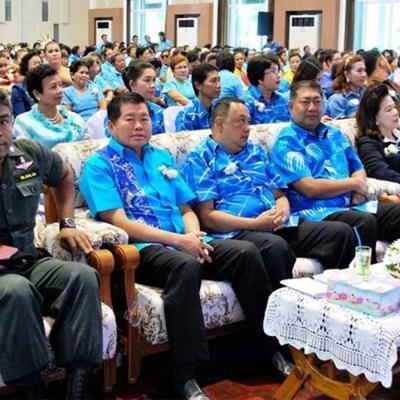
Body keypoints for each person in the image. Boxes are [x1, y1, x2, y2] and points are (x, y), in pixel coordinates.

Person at [79, 92, 279, 400]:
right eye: (130, 119)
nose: (139, 126)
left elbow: (186, 207)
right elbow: (118, 220)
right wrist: (179, 241)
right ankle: (185, 374)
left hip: (185, 240)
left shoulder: (160, 156)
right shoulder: (99, 165)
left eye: (144, 118)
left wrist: (194, 237)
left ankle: (268, 349)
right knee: (185, 266)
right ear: (111, 126)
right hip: (144, 248)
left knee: (246, 253)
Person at [181, 97, 355, 283]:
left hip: (277, 225)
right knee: (275, 247)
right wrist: (255, 224)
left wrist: (282, 210)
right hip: (239, 230)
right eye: (241, 121)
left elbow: (279, 195)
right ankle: (282, 302)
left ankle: (337, 295)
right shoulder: (200, 158)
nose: (248, 128)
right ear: (220, 124)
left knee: (339, 233)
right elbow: (207, 217)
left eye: (248, 121)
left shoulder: (255, 151)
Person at [0, 89, 102, 399]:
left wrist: (67, 223)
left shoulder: (27, 154)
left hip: (27, 260)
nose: (0, 132)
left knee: (83, 276)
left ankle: (77, 387)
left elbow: (64, 175)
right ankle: (33, 391)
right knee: (17, 290)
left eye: (3, 121)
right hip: (5, 279)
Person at [271, 80, 400, 262]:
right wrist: (354, 184)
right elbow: (310, 188)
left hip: (351, 205)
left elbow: (357, 167)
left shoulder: (334, 133)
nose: (312, 107)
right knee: (363, 221)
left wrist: (358, 191)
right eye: (305, 102)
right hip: (317, 211)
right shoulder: (286, 142)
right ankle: (363, 278)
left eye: (317, 101)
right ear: (291, 106)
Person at [14, 64, 87, 149]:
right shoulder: (24, 122)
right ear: (37, 94)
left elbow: (88, 147)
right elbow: (26, 154)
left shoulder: (76, 118)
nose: (60, 90)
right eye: (53, 87)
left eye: (60, 85)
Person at [356, 83, 400, 183]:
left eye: (394, 107)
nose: (395, 112)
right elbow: (382, 172)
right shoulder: (369, 144)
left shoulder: (397, 133)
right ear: (374, 117)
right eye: (389, 110)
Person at [241, 55, 290, 124]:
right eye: (273, 71)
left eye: (278, 71)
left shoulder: (284, 100)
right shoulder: (246, 103)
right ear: (259, 78)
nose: (278, 75)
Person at [122, 61, 165, 134]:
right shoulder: (117, 112)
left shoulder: (158, 111)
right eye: (147, 80)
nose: (153, 85)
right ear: (132, 84)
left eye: (154, 80)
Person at [175, 63, 221, 132]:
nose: (219, 85)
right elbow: (184, 138)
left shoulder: (220, 110)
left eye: (219, 80)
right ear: (198, 85)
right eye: (213, 81)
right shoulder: (187, 115)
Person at [11, 50, 42, 117]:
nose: (39, 66)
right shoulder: (18, 90)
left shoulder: (46, 86)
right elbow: (20, 117)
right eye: (35, 63)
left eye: (40, 63)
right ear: (26, 68)